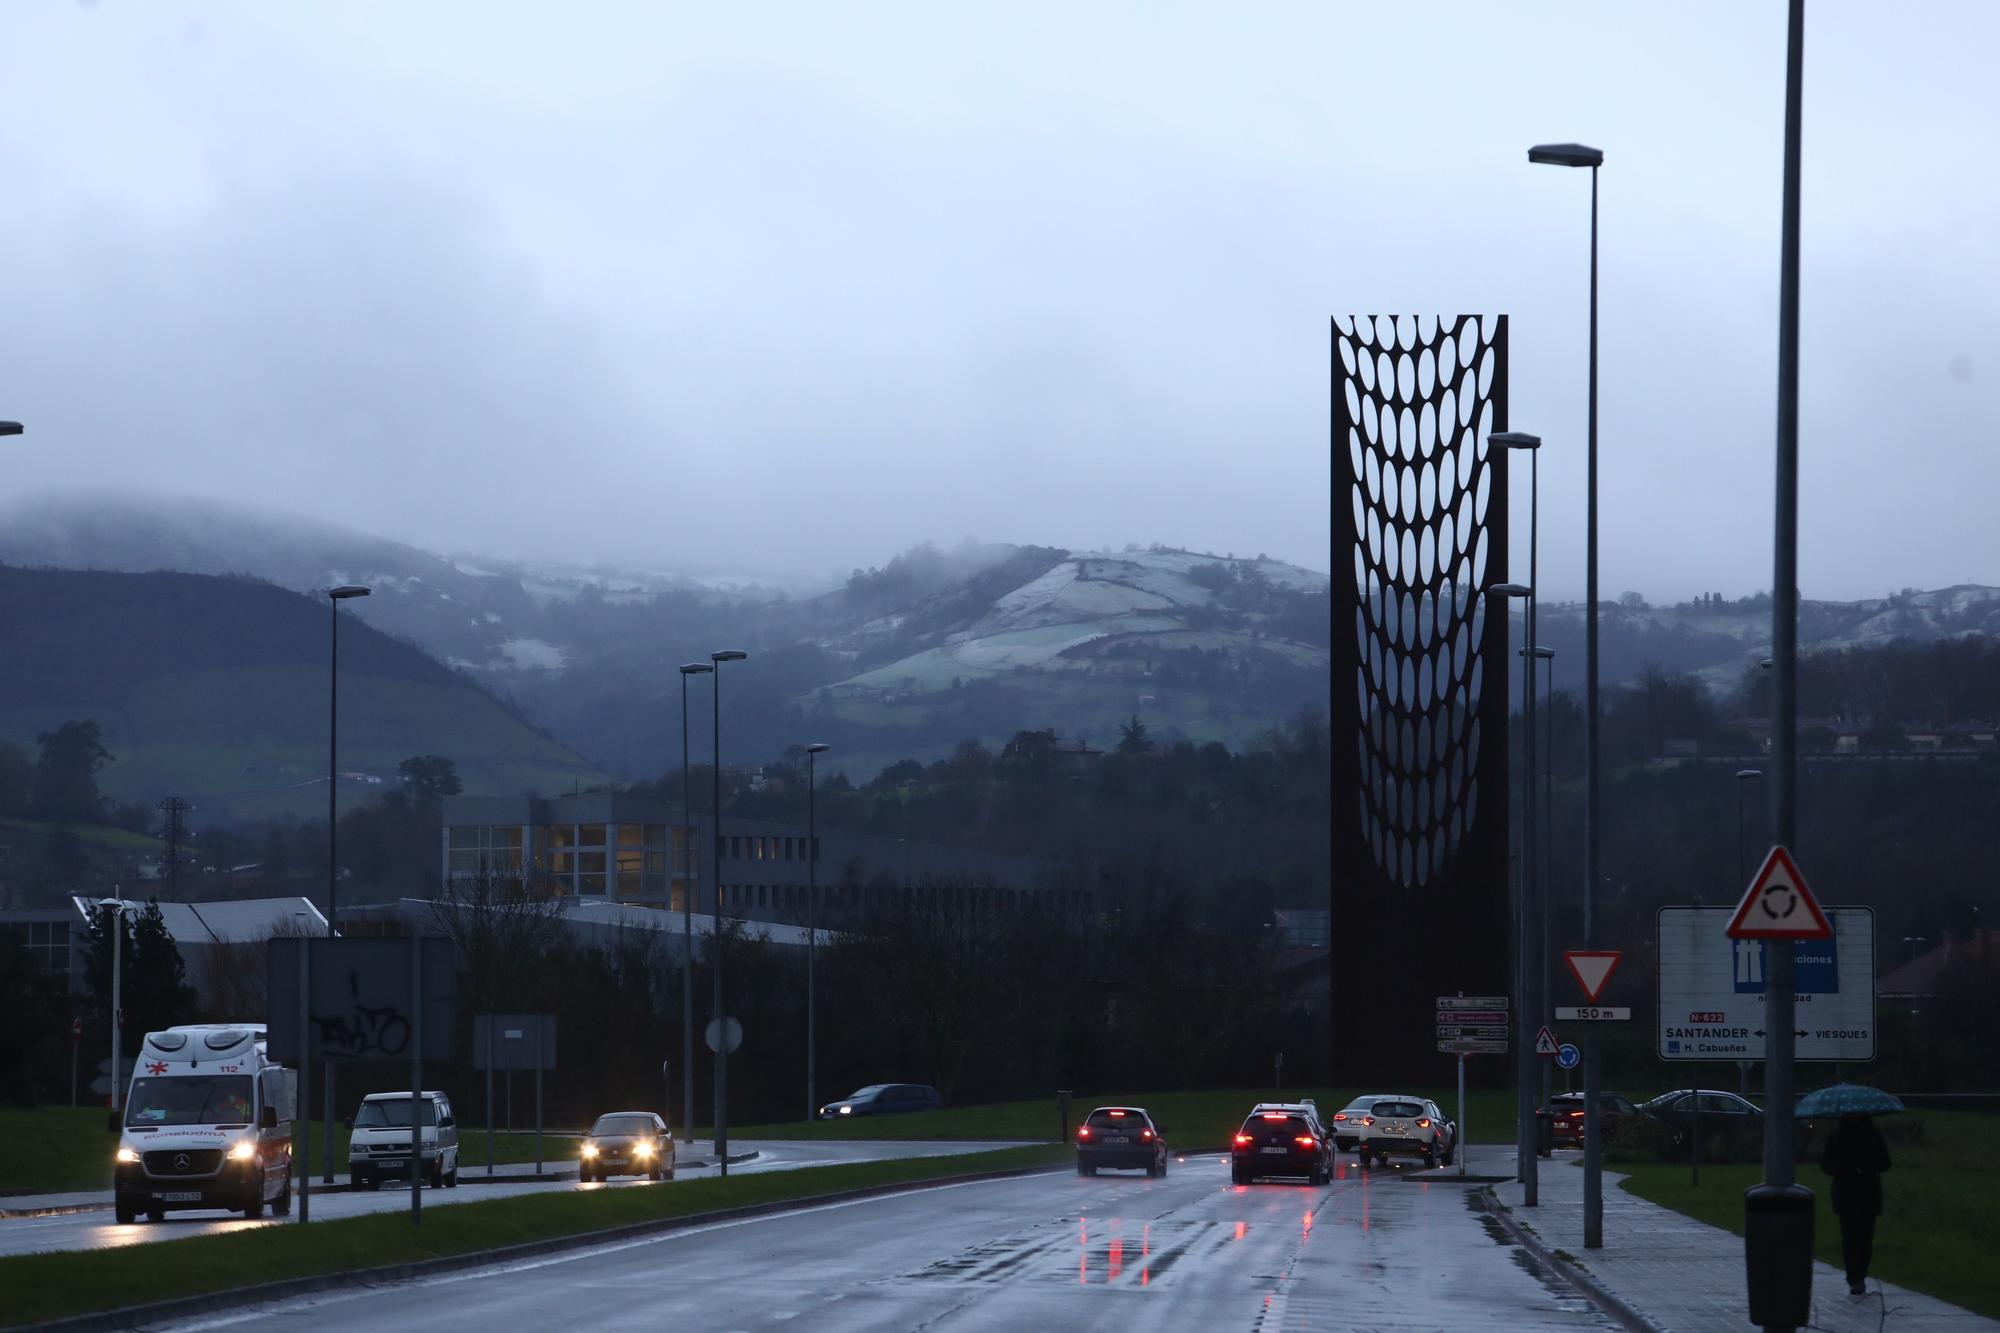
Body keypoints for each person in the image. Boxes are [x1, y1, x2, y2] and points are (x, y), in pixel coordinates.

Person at [1820, 1112, 1892, 1296]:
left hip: (1868, 1192)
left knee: (1865, 1238)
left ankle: (1861, 1273)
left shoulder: (1874, 1135)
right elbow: (1826, 1164)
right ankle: (1855, 1278)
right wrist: (1842, 1168)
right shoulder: (1836, 1136)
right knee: (1850, 1237)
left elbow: (1885, 1163)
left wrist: (1869, 1164)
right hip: (1846, 1193)